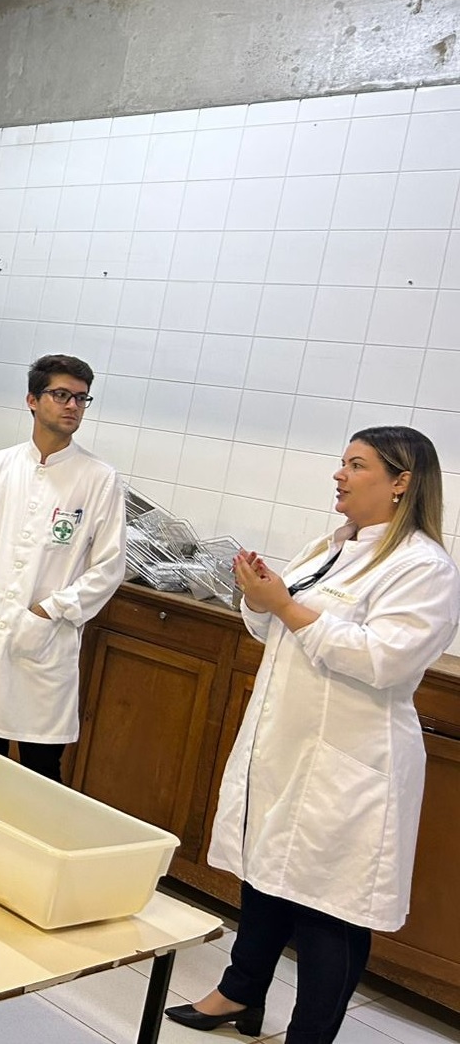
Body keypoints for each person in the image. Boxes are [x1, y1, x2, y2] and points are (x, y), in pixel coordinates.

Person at [167, 427, 460, 1043]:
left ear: (402, 482)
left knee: (332, 908)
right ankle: (240, 993)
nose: (339, 475)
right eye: (342, 462)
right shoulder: (331, 545)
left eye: (356, 465)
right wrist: (258, 597)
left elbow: (384, 659)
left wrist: (285, 605)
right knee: (267, 877)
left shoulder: (423, 567)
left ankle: (310, 1036)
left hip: (351, 764)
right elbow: (276, 629)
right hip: (287, 746)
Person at [0, 353, 126, 781]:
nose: (72, 406)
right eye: (61, 395)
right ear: (32, 400)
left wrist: (50, 610)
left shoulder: (98, 478)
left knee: (41, 767)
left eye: (81, 398)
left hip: (44, 641)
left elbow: (109, 566)